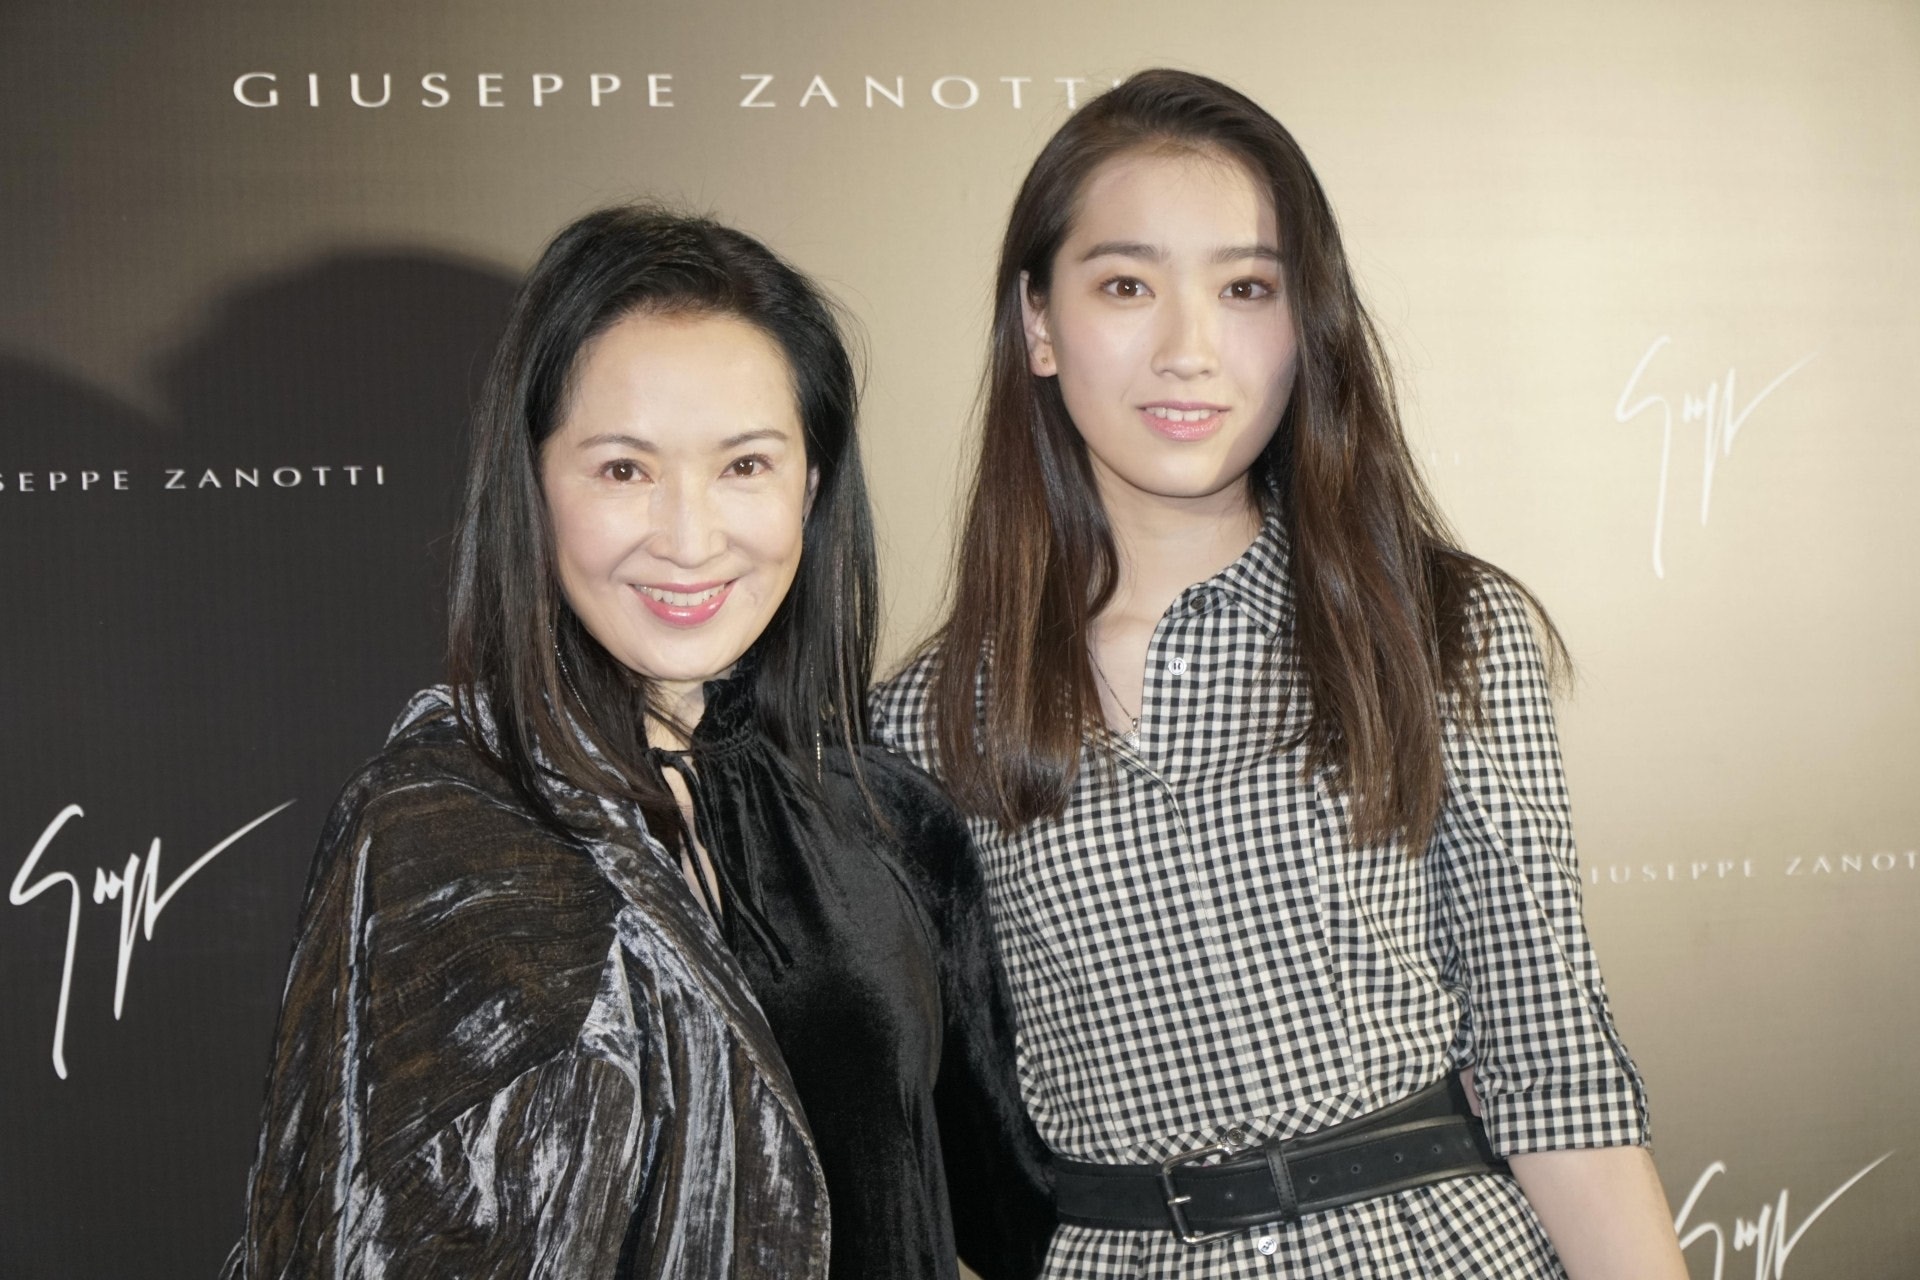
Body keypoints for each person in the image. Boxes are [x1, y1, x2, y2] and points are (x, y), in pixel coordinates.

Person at [872, 70, 1688, 1278]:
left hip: (1428, 1247)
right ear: (1039, 322)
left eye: (1247, 287)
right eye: (1127, 285)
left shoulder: (1436, 631)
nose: (1188, 349)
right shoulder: (926, 717)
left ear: (1306, 322)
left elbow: (1553, 1066)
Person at [226, 206, 1052, 1279]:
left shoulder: (888, 815)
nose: (690, 537)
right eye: (624, 470)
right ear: (533, 485)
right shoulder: (433, 829)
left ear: (809, 486)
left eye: (745, 465)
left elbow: (1011, 1212)